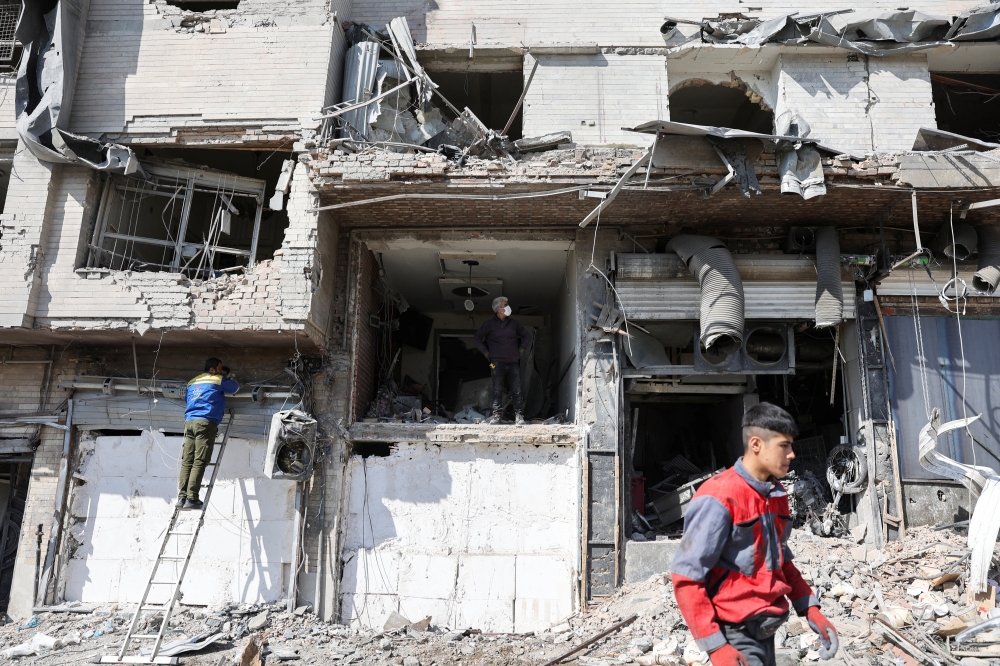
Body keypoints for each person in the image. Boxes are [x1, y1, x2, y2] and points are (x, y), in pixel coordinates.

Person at [670, 403, 838, 666]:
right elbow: (686, 576)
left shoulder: (777, 494)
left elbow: (781, 560)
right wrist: (715, 646)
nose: (792, 454)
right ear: (757, 444)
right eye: (784, 446)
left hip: (766, 633)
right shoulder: (718, 497)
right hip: (734, 635)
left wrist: (810, 608)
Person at [177, 358, 239, 510]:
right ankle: (192, 498)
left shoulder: (193, 382)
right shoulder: (217, 380)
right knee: (200, 460)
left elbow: (188, 399)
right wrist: (228, 378)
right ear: (212, 369)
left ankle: (182, 497)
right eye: (219, 369)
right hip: (205, 423)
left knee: (187, 461)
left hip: (190, 422)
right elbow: (234, 388)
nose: (221, 371)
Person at [473, 296, 529, 425]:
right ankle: (496, 416)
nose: (508, 307)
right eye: (505, 305)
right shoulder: (489, 325)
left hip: (513, 361)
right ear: (499, 309)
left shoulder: (514, 324)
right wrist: (485, 352)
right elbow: (476, 337)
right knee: (497, 389)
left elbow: (526, 335)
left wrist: (521, 349)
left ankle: (519, 416)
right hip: (495, 363)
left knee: (516, 389)